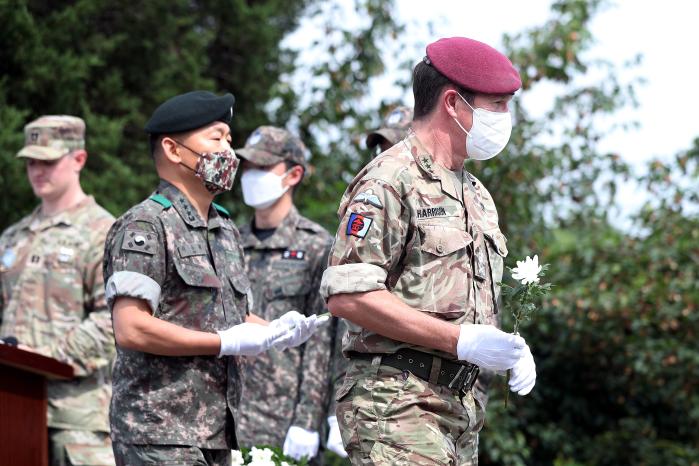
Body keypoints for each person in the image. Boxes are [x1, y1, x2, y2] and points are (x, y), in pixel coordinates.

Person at [320, 37, 537, 464]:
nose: (505, 117)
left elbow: (459, 301)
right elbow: (349, 295)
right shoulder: (389, 180)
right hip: (396, 405)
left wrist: (507, 346)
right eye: (497, 104)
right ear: (454, 104)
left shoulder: (475, 193)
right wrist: (461, 340)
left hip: (461, 409)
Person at [102, 91, 326, 466]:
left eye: (229, 140)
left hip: (216, 432)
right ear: (174, 150)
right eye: (216, 138)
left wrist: (273, 332)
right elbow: (132, 328)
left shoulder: (224, 229)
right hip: (159, 432)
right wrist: (221, 342)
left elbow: (232, 318)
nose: (229, 153)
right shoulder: (146, 226)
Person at [0, 115, 116, 466]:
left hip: (75, 419)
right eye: (31, 161)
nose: (37, 170)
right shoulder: (13, 237)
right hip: (13, 409)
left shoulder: (104, 232)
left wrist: (45, 358)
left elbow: (114, 320)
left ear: (79, 159)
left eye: (48, 161)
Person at [234, 126, 333, 464]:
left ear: (293, 175)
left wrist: (308, 421)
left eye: (263, 168)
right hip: (227, 417)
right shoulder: (227, 241)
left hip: (284, 420)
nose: (251, 175)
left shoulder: (316, 245)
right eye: (248, 167)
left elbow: (323, 341)